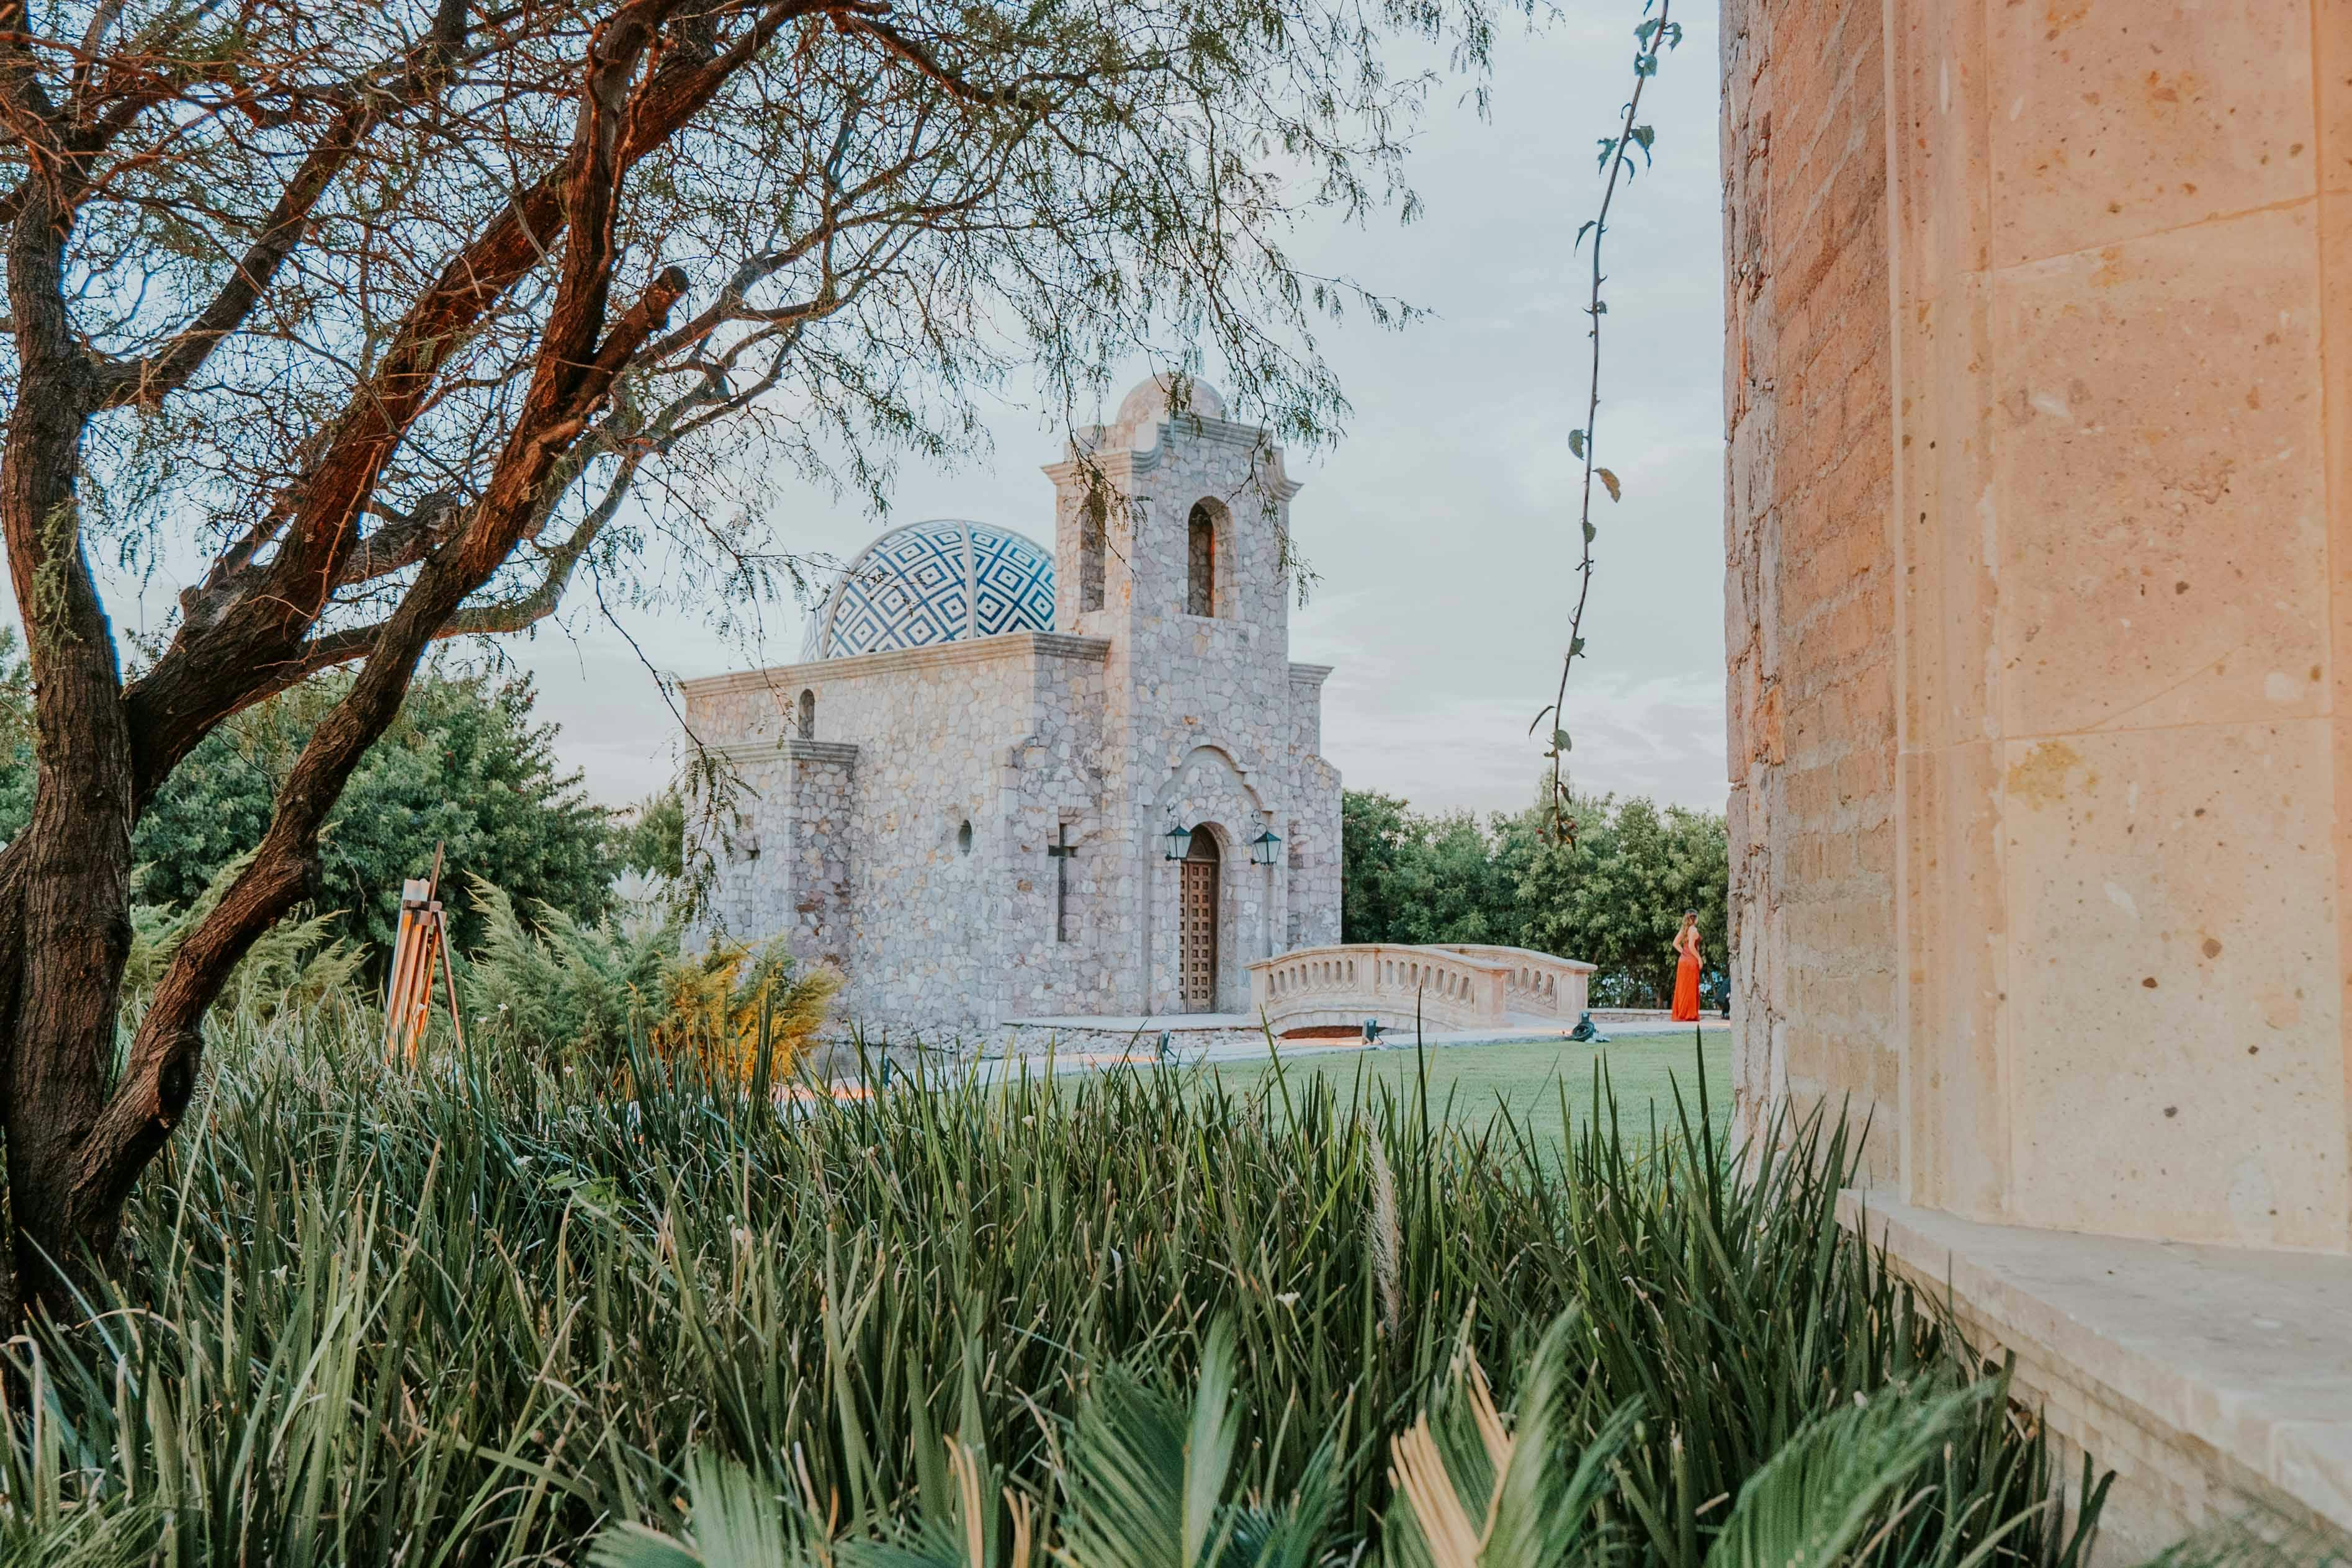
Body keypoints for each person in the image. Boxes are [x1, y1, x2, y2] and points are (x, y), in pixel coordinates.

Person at [1670, 911, 1703, 1023]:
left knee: (1682, 988)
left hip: (1683, 961)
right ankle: (1690, 1014)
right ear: (1695, 918)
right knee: (1691, 987)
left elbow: (1675, 943)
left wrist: (1684, 953)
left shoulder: (1684, 930)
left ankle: (1682, 1013)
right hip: (1691, 961)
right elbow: (1691, 946)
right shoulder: (1693, 930)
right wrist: (1699, 958)